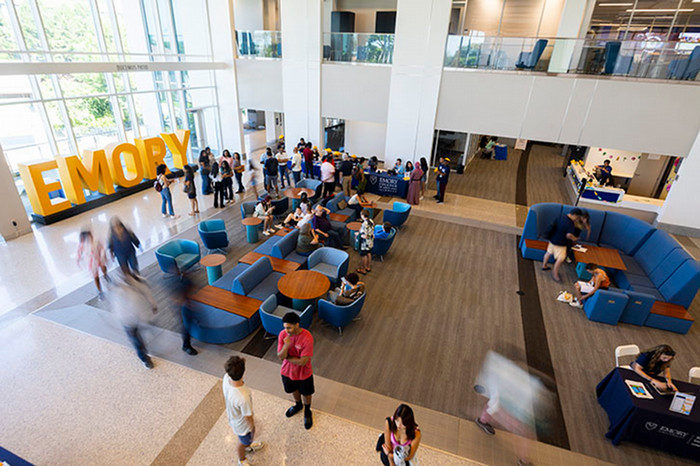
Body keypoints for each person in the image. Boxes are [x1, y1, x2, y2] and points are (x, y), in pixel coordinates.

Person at [109, 271, 157, 368]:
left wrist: (153, 305)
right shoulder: (118, 289)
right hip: (127, 319)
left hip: (139, 315)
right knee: (136, 339)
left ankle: (144, 352)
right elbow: (118, 307)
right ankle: (144, 358)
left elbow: (146, 292)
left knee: (139, 335)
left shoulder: (138, 282)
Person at [223, 356, 264, 466]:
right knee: (243, 441)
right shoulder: (243, 396)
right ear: (243, 371)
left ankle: (249, 445)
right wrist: (252, 428)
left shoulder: (226, 378)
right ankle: (241, 459)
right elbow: (247, 416)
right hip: (242, 425)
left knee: (246, 440)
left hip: (233, 417)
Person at [277, 312, 315, 430]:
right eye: (285, 327)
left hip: (304, 373)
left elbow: (303, 362)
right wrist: (286, 346)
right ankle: (298, 405)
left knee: (306, 392)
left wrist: (287, 357)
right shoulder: (283, 335)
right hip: (287, 371)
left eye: (289, 327)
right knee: (293, 389)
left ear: (297, 324)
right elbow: (280, 356)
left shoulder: (307, 338)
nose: (286, 330)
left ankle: (307, 410)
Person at [541, 208, 581, 282]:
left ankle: (544, 265)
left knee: (548, 253)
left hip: (552, 239)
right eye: (577, 217)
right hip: (561, 243)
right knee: (560, 259)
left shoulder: (561, 216)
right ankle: (555, 273)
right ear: (575, 215)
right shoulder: (570, 223)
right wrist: (574, 238)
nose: (576, 219)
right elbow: (568, 235)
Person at [163, 271, 198, 356]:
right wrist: (185, 303)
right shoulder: (173, 283)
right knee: (185, 325)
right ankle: (186, 346)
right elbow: (175, 299)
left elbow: (192, 288)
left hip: (186, 304)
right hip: (181, 307)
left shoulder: (185, 280)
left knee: (189, 321)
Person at [77, 229, 108, 296]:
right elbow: (79, 254)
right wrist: (79, 261)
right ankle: (100, 291)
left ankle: (105, 275)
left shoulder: (96, 241)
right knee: (96, 277)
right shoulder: (82, 245)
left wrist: (103, 254)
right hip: (91, 262)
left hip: (99, 258)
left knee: (103, 267)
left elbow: (102, 246)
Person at [356, 209, 374, 274]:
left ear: (363, 215)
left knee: (364, 255)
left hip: (365, 242)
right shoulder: (371, 221)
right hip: (370, 241)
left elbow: (365, 236)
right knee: (369, 253)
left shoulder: (364, 224)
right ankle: (368, 267)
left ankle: (363, 269)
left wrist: (358, 235)